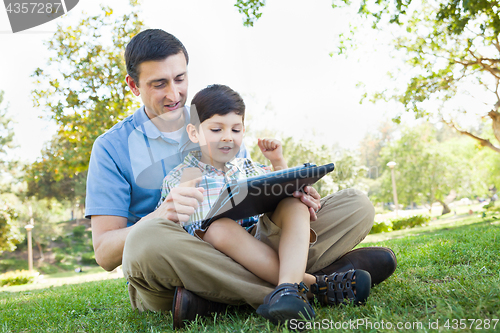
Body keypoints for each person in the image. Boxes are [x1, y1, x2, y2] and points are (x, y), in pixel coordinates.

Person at [86, 28, 397, 329]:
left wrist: (291, 192)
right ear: (133, 85)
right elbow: (105, 253)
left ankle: (216, 301)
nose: (174, 94)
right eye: (158, 84)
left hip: (247, 244)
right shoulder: (111, 147)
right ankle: (316, 285)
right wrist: (159, 215)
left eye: (180, 79)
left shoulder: (215, 121)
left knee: (357, 204)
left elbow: (251, 190)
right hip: (180, 260)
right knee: (146, 239)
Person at [156, 84, 373, 324]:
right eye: (217, 129)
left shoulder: (250, 168)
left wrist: (280, 164)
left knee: (295, 202)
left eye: (236, 129)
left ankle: (287, 288)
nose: (228, 137)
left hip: (263, 242)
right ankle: (318, 285)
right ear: (194, 133)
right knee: (219, 228)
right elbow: (169, 235)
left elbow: (283, 186)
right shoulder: (178, 179)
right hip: (218, 261)